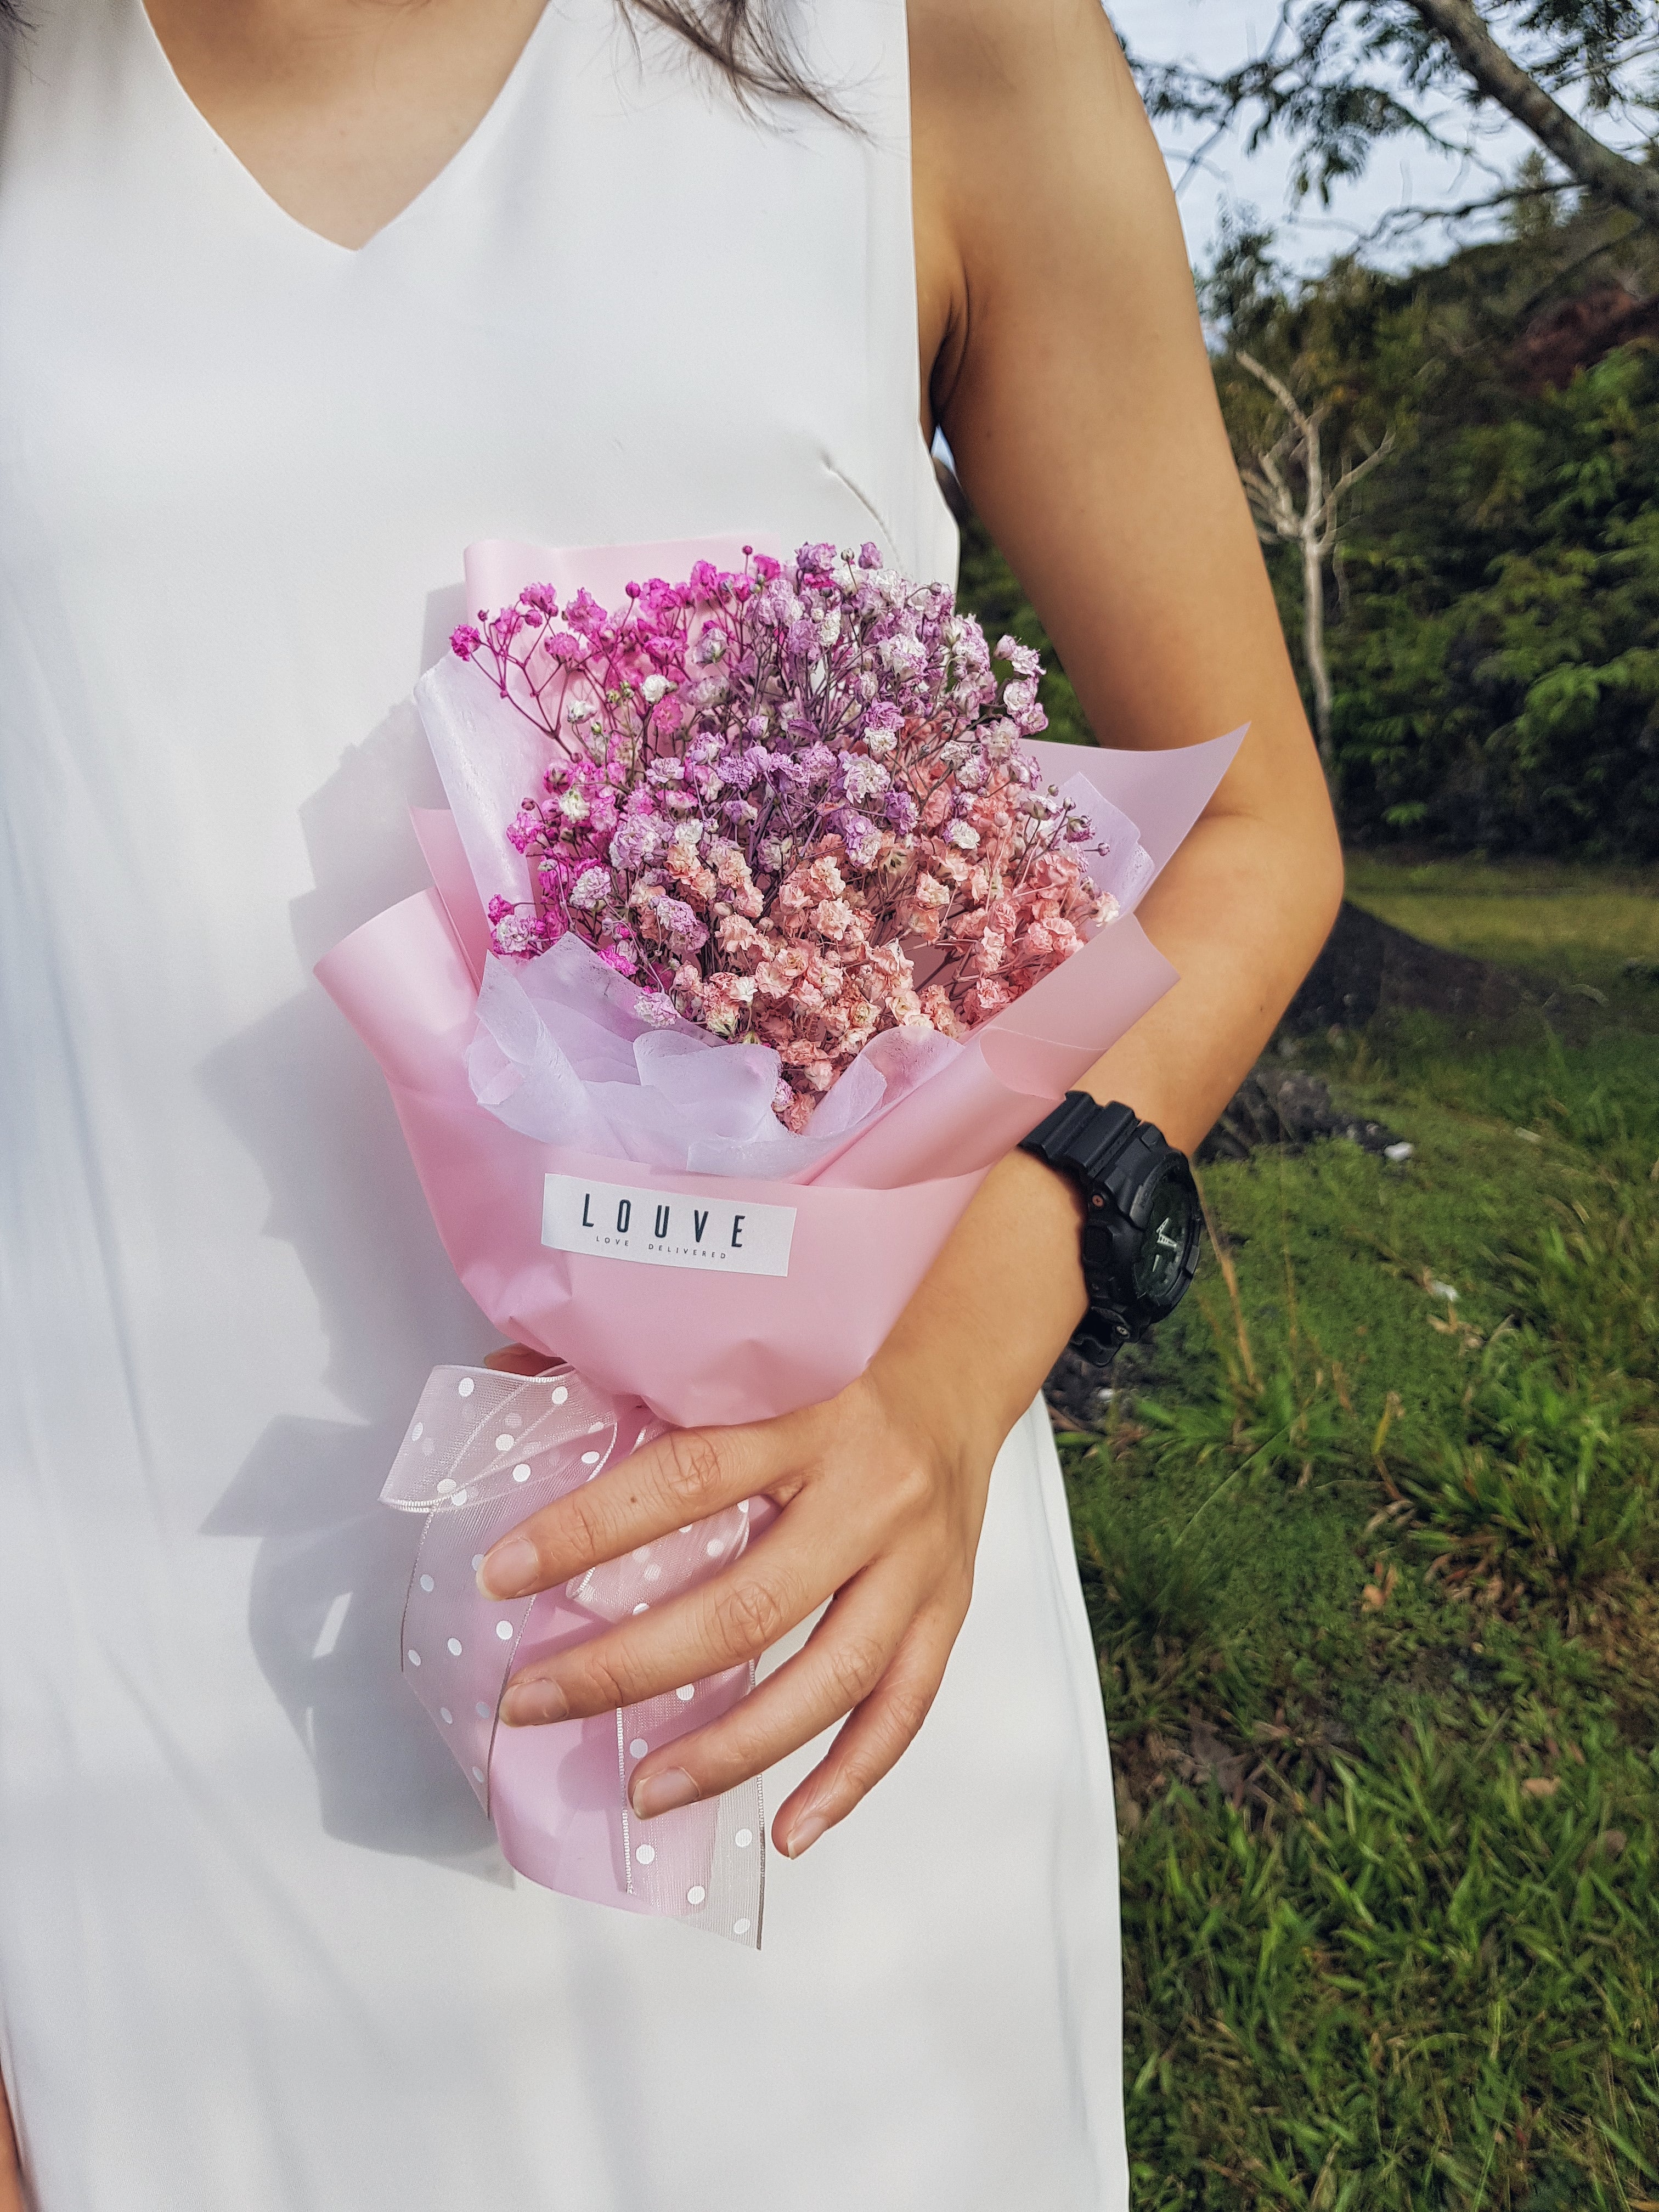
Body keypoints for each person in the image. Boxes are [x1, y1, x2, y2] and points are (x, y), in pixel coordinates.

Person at [0, 2, 1342, 2207]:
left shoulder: (938, 44)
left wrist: (955, 1363)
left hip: (807, 1672)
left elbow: (1250, 826)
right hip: (126, 1735)